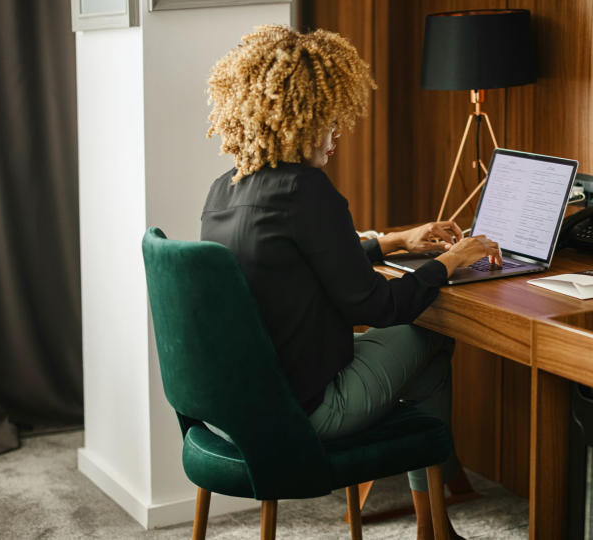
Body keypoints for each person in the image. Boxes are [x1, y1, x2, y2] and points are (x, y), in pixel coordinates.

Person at [200, 25, 501, 539]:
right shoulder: (307, 190)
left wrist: (395, 241)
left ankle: (436, 526)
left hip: (235, 407)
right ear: (295, 118)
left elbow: (292, 263)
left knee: (425, 370)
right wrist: (454, 258)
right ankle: (436, 527)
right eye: (326, 118)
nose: (337, 131)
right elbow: (383, 306)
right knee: (431, 337)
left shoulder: (225, 189)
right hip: (306, 413)